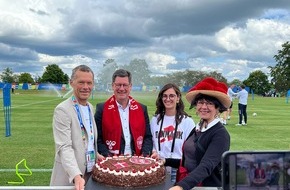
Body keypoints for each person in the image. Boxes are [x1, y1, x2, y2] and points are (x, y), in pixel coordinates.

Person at [167, 77, 231, 190]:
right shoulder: (197, 128)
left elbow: (206, 165)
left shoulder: (220, 134)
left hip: (207, 187)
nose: (204, 107)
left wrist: (181, 186)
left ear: (218, 108)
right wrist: (165, 161)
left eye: (210, 103)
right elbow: (190, 160)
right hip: (190, 184)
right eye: (200, 102)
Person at [50, 65, 103, 190]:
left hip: (89, 176)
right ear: (71, 83)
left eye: (89, 83)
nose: (86, 87)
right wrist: (76, 175)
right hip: (70, 179)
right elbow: (64, 147)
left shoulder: (90, 106)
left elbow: (87, 140)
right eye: (81, 82)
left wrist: (97, 155)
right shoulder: (63, 110)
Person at [94, 69, 153, 157]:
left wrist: (144, 155)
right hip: (112, 162)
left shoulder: (142, 109)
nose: (121, 88)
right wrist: (109, 157)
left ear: (130, 86)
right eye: (118, 85)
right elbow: (97, 139)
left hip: (137, 161)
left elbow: (148, 137)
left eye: (125, 85)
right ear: (113, 86)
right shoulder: (101, 109)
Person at [150, 83, 195, 183]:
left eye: (172, 96)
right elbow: (151, 142)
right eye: (165, 96)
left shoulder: (187, 121)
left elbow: (190, 151)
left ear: (178, 98)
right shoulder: (155, 120)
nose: (168, 99)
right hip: (158, 168)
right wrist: (154, 152)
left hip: (178, 169)